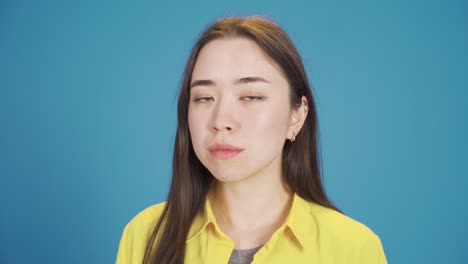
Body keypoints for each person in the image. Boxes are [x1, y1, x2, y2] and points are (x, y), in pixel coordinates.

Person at [115, 16, 387, 264]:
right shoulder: (144, 236)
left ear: (298, 115)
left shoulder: (354, 249)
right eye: (204, 98)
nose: (221, 120)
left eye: (251, 97)